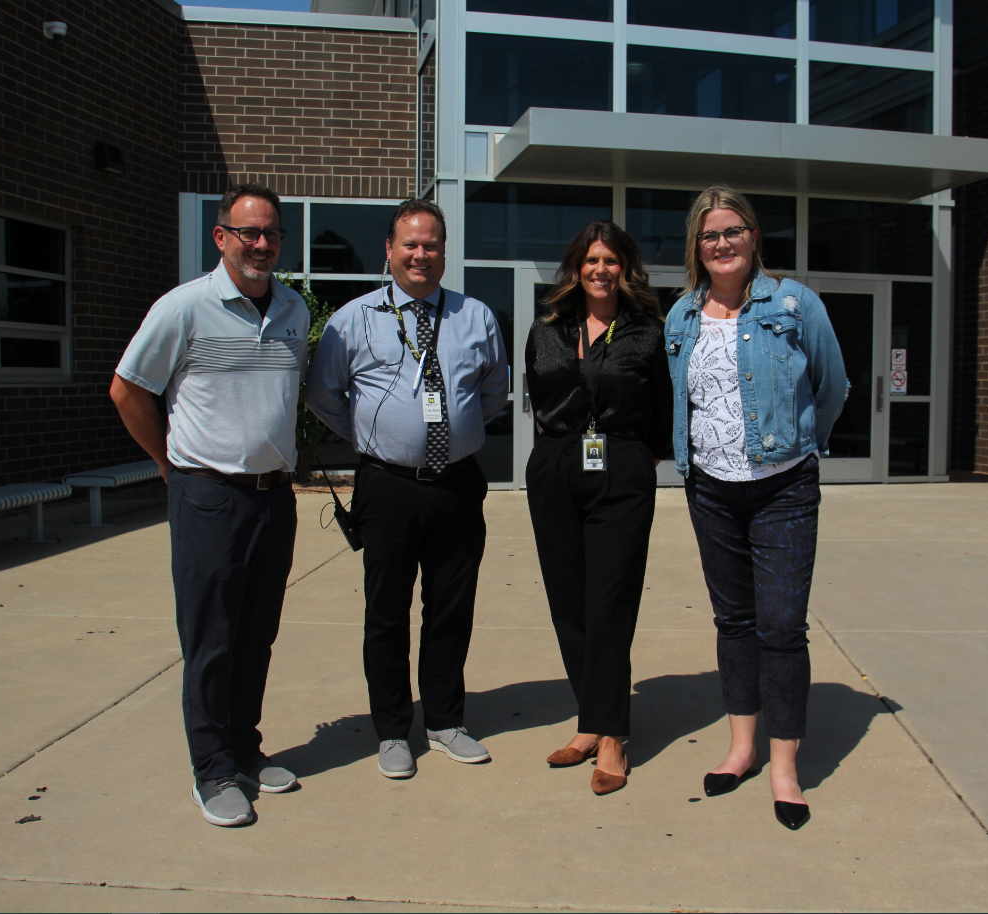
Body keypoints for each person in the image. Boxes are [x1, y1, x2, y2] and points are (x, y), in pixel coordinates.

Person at [110, 183, 309, 827]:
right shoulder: (185, 308)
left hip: (274, 498)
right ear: (220, 237)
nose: (261, 243)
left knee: (257, 633)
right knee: (211, 637)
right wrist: (170, 464)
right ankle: (212, 769)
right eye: (248, 231)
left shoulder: (293, 310)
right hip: (209, 496)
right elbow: (127, 389)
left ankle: (245, 750)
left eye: (271, 232)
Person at [663, 185, 846, 830]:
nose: (722, 244)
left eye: (733, 231)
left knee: (781, 625)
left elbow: (834, 384)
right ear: (697, 245)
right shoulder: (681, 315)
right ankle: (740, 748)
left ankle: (784, 768)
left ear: (753, 236)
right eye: (710, 235)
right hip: (710, 488)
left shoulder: (794, 303)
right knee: (734, 620)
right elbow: (683, 399)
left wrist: (803, 444)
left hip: (783, 488)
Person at [306, 199, 509, 780]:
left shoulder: (476, 317)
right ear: (389, 251)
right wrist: (376, 435)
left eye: (432, 245)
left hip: (457, 485)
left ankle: (446, 720)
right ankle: (393, 729)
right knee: (387, 612)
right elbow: (326, 396)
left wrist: (453, 430)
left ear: (445, 252)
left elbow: (493, 391)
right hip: (387, 486)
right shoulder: (354, 319)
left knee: (451, 608)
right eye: (410, 244)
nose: (421, 254)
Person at [524, 221, 672, 796]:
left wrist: (638, 458)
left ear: (626, 268)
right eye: (590, 260)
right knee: (569, 600)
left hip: (623, 466)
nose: (600, 270)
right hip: (557, 465)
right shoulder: (547, 329)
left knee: (609, 601)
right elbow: (539, 397)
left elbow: (662, 407)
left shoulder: (647, 332)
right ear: (575, 269)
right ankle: (591, 719)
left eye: (611, 260)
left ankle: (612, 738)